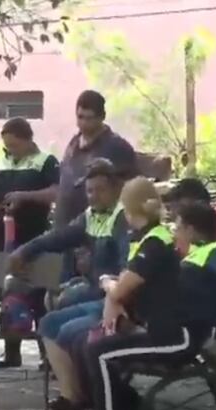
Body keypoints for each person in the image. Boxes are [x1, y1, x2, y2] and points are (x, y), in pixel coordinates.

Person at [79, 178, 216, 410]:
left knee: (99, 353)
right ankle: (127, 408)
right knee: (98, 345)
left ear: (192, 230)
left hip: (179, 338)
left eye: (179, 226)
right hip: (165, 330)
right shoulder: (191, 255)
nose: (174, 232)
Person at [7, 159, 129, 410]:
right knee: (49, 322)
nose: (93, 196)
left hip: (116, 299)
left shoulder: (124, 219)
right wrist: (25, 250)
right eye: (89, 191)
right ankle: (71, 397)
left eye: (100, 190)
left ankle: (90, 395)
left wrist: (98, 276)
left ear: (116, 189)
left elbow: (128, 272)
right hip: (95, 291)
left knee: (69, 328)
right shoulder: (91, 216)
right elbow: (58, 236)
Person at [0, 117, 61, 368]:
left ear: (28, 140)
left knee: (38, 295)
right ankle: (11, 351)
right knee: (8, 295)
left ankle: (48, 355)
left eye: (15, 145)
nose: (10, 150)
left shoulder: (45, 162)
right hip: (4, 237)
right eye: (6, 145)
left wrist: (25, 197)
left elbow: (57, 192)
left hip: (35, 237)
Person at [54, 90, 137, 283]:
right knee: (63, 287)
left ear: (101, 117)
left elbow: (130, 188)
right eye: (79, 117)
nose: (83, 123)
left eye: (89, 118)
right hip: (67, 227)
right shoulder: (74, 143)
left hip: (98, 234)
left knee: (90, 287)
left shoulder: (116, 147)